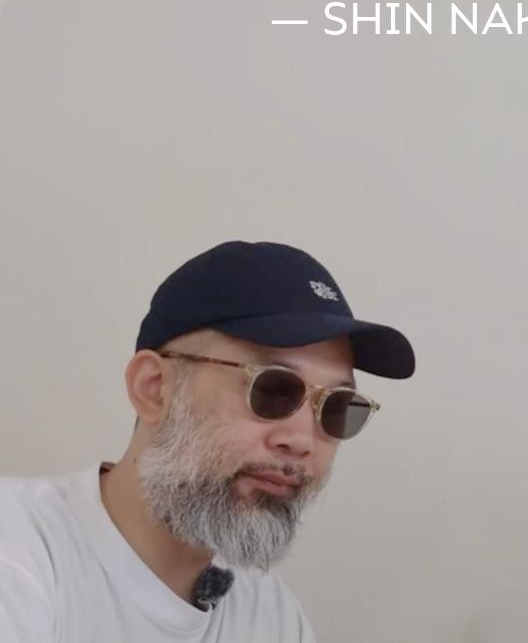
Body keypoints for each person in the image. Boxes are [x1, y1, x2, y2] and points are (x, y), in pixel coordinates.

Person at [0, 239, 415, 641]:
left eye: (337, 407)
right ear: (154, 388)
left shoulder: (272, 617)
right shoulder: (19, 553)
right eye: (273, 389)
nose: (303, 440)